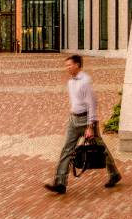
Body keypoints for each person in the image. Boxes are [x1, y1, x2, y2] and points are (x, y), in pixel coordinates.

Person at [45, 54, 121, 194]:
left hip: (86, 121)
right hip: (73, 121)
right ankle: (60, 183)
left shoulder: (85, 82)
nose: (67, 68)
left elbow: (92, 104)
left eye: (69, 65)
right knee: (66, 150)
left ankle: (114, 174)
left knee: (101, 149)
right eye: (66, 65)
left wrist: (90, 126)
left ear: (77, 65)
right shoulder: (70, 82)